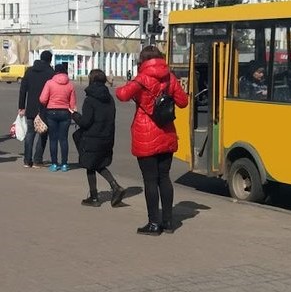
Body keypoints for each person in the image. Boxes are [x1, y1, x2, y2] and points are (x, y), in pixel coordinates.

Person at [116, 45, 189, 235]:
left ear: (143, 60)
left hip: (146, 134)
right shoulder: (170, 77)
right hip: (166, 133)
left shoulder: (141, 79)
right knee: (164, 178)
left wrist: (133, 83)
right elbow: (183, 102)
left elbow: (121, 95)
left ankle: (153, 224)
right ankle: (169, 222)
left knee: (150, 180)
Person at [70, 69, 126, 207]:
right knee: (98, 164)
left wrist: (74, 115)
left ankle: (95, 197)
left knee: (90, 165)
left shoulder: (90, 100)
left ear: (91, 80)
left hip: (92, 137)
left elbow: (85, 122)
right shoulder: (109, 98)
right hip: (106, 136)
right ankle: (114, 186)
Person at [18, 50, 55, 168]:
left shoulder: (29, 71)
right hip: (45, 109)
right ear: (50, 59)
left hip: (30, 108)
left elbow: (23, 90)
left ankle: (27, 160)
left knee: (30, 134)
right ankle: (37, 160)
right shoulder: (51, 73)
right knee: (43, 133)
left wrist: (21, 107)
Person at [39, 63, 77, 172]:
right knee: (64, 139)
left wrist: (48, 103)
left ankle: (54, 164)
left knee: (53, 139)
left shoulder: (49, 83)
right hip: (65, 113)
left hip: (51, 112)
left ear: (55, 72)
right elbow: (73, 103)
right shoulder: (70, 84)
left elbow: (42, 99)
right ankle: (64, 164)